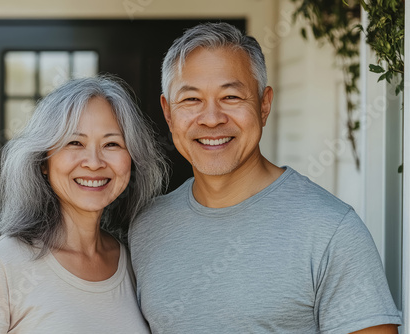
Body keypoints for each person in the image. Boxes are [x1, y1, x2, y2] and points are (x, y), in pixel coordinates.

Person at [129, 22, 402, 333]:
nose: (212, 118)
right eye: (191, 100)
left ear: (264, 104)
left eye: (231, 97)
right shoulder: (146, 229)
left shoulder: (330, 231)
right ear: (168, 113)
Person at [0, 76, 168, 333]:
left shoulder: (135, 263)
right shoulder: (1, 267)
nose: (94, 162)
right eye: (75, 142)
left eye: (112, 144)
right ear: (43, 161)